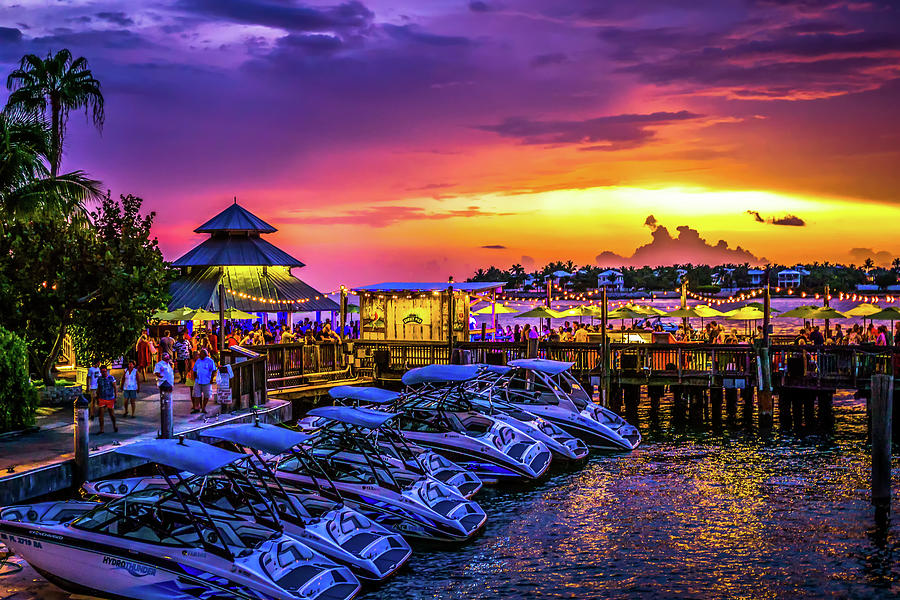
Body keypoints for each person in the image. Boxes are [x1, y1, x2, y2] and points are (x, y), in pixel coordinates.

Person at [192, 348, 217, 415]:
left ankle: (204, 407)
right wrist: (195, 378)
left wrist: (212, 379)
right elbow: (194, 369)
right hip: (198, 381)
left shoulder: (210, 361)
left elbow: (214, 370)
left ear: (205, 355)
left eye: (201, 354)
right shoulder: (198, 361)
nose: (199, 355)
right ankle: (197, 407)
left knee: (207, 395)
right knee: (196, 394)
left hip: (207, 381)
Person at [95, 365, 118, 434]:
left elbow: (115, 387)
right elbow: (99, 388)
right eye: (102, 372)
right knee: (101, 414)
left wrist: (116, 397)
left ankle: (114, 425)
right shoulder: (99, 379)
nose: (104, 373)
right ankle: (101, 429)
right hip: (102, 398)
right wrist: (97, 396)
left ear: (106, 371)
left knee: (112, 414)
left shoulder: (111, 378)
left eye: (104, 371)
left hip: (110, 398)